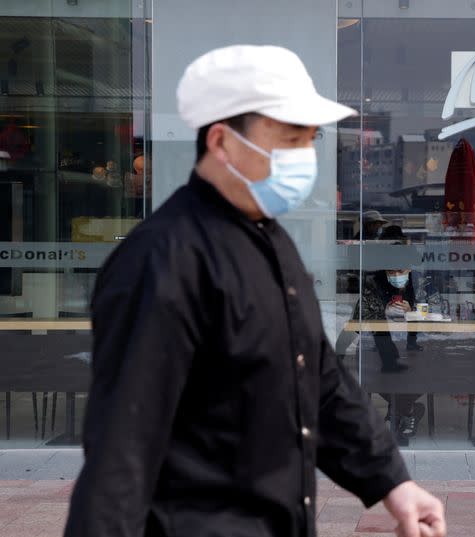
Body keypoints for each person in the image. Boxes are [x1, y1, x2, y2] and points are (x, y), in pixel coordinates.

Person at [64, 45, 445, 537]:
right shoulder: (162, 261)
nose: (303, 156)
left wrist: (393, 483)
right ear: (222, 141)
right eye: (288, 139)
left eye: (309, 140)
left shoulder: (270, 239)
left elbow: (320, 382)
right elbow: (122, 452)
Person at [357, 226, 426, 437]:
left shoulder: (420, 282)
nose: (396, 275)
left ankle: (399, 410)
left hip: (414, 345)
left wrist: (413, 311)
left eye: (401, 271)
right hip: (379, 344)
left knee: (420, 369)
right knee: (377, 369)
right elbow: (360, 315)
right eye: (391, 272)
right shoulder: (372, 283)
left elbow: (436, 313)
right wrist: (383, 310)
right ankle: (407, 411)